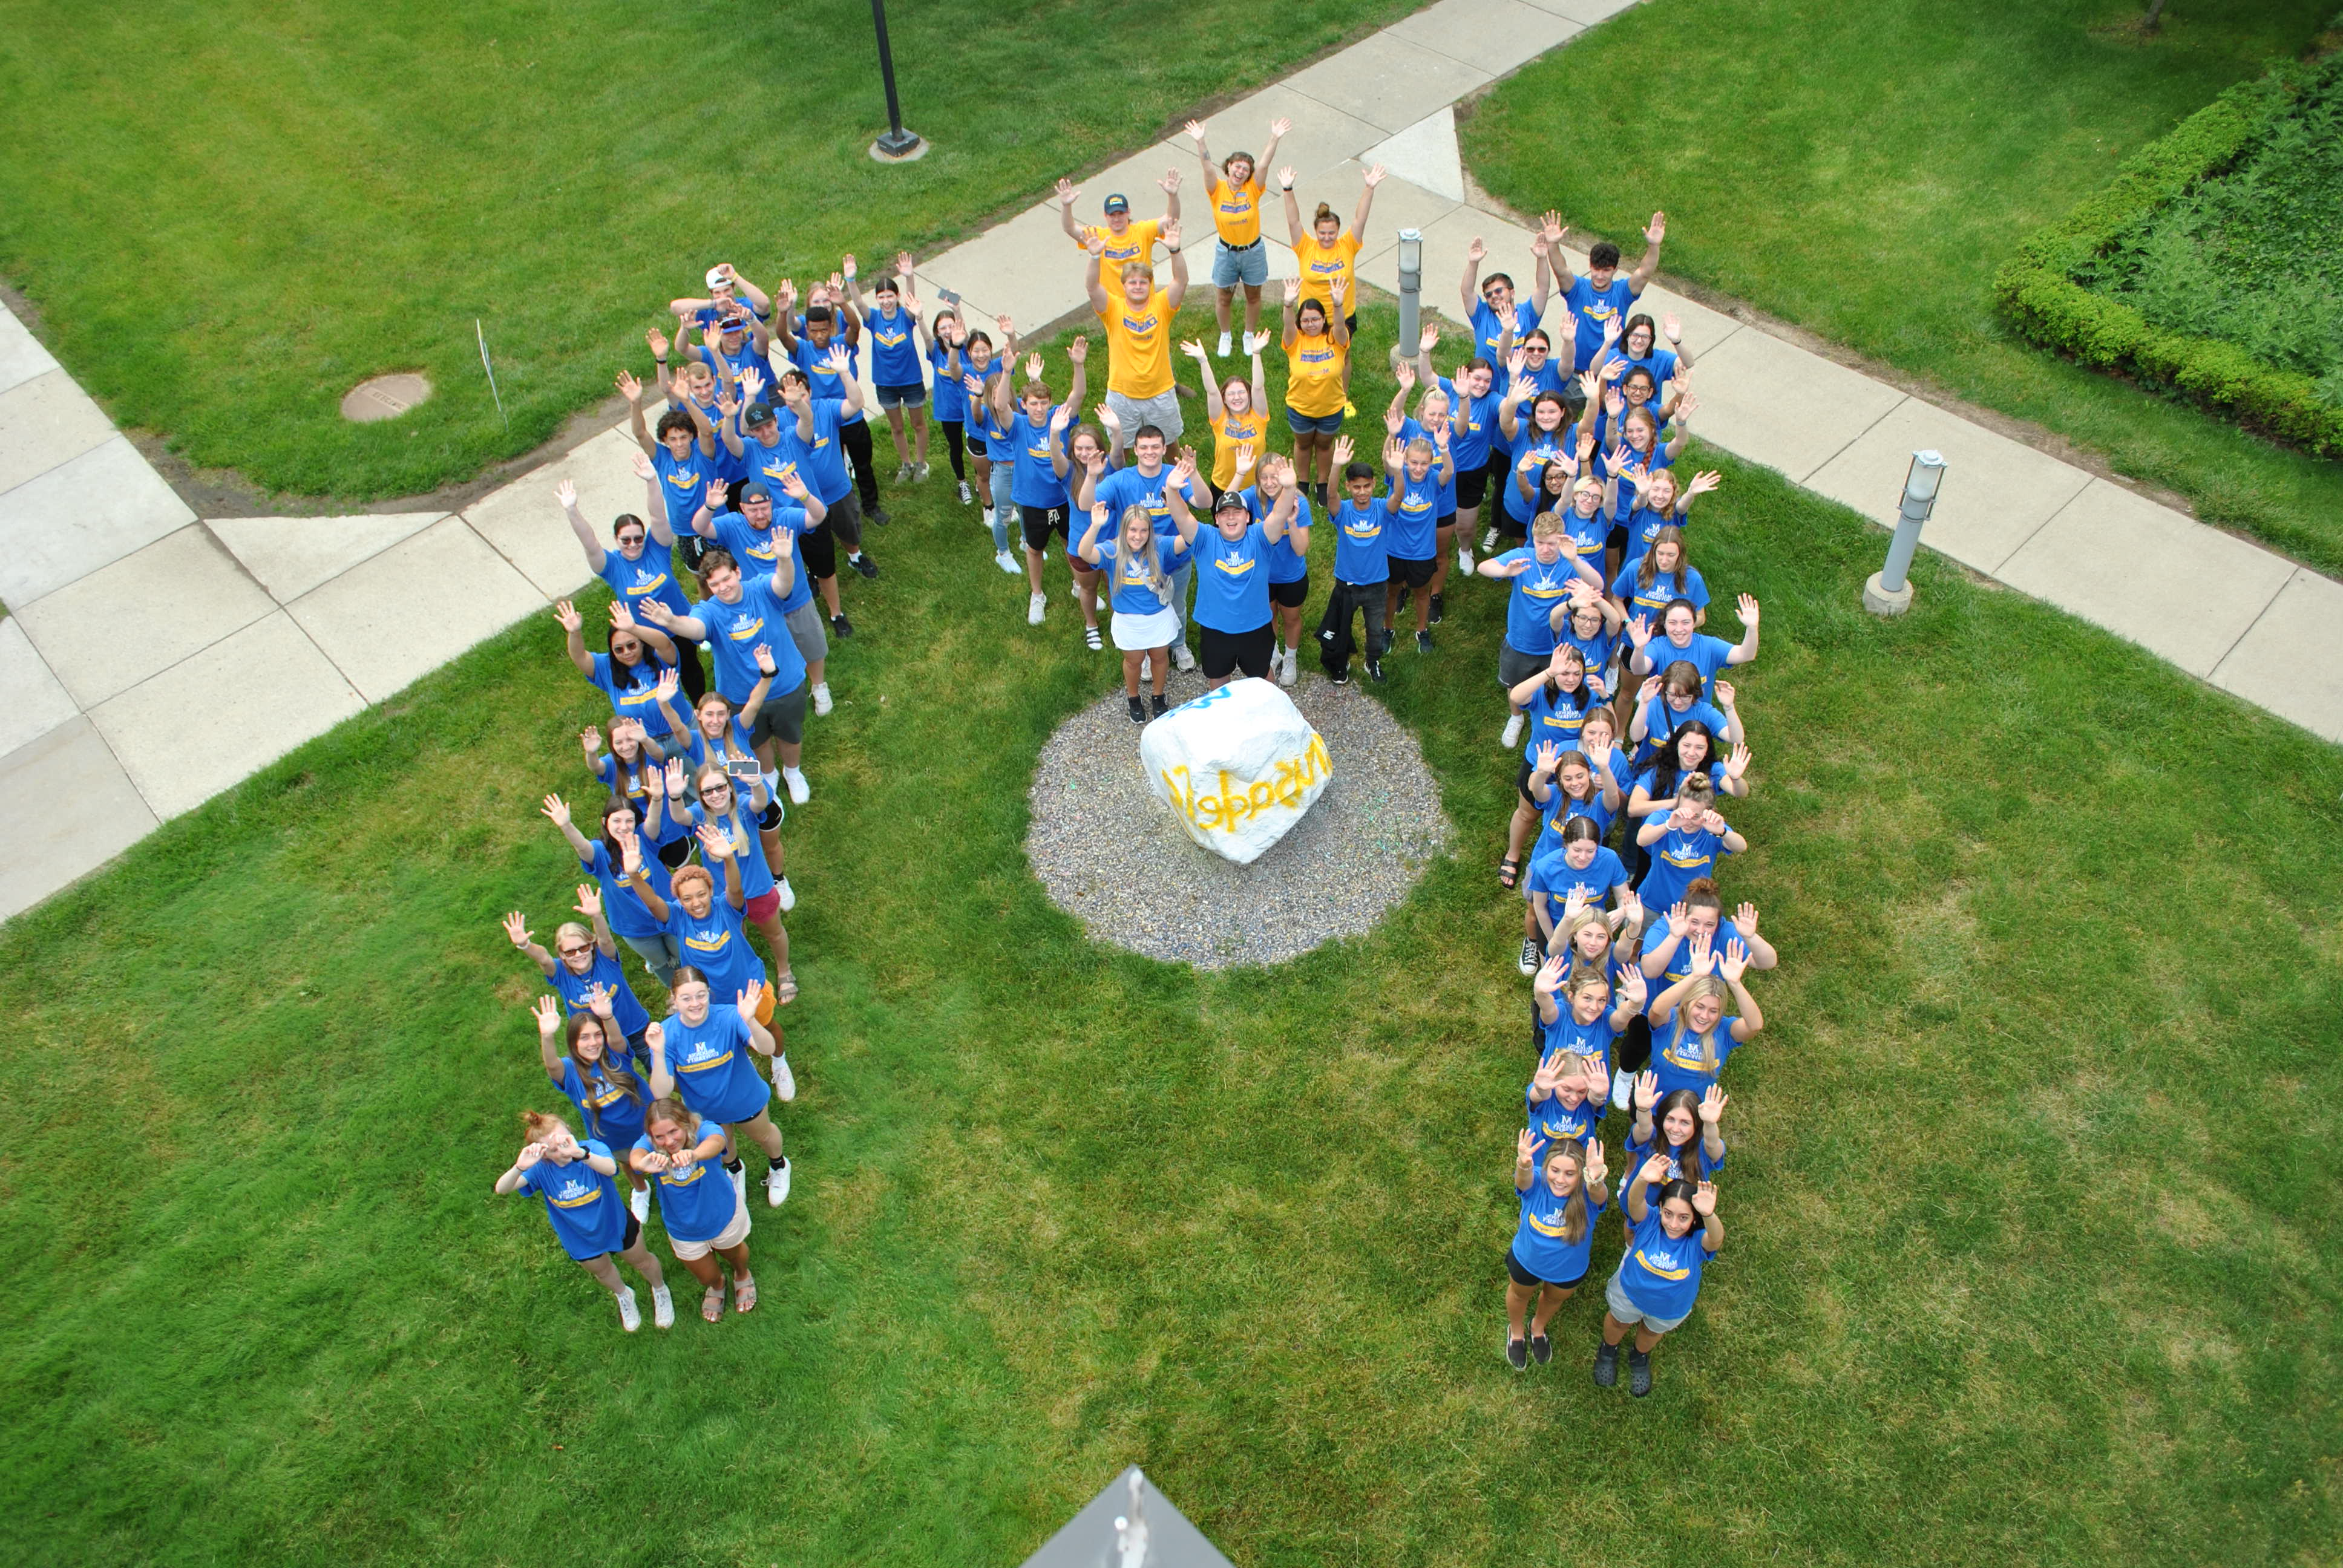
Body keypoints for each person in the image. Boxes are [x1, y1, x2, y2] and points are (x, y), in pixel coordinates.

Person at [635, 547, 813, 806]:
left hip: (785, 683)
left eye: (726, 579)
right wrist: (671, 622)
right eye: (714, 584)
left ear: (737, 572)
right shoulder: (708, 610)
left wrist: (785, 558)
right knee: (755, 739)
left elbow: (784, 583)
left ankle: (793, 772)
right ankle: (768, 774)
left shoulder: (761, 588)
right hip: (739, 696)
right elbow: (695, 629)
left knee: (790, 734)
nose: (723, 587)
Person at [495, 1108, 673, 1332]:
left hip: (616, 1224)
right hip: (580, 1239)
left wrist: (581, 1154)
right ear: (543, 1155)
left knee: (642, 1262)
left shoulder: (592, 1149)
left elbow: (610, 1169)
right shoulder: (541, 1169)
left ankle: (660, 1289)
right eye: (553, 1149)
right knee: (603, 1272)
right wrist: (521, 1166)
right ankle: (624, 1295)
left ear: (570, 1131)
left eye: (564, 1141)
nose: (562, 1151)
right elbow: (502, 1189)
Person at [687, 475, 834, 719]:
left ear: (771, 505)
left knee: (812, 644)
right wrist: (710, 506)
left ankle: (819, 686)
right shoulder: (733, 525)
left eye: (764, 508)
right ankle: (770, 696)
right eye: (753, 510)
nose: (760, 515)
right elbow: (700, 527)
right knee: (765, 654)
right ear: (742, 509)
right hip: (756, 609)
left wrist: (805, 496)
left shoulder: (785, 518)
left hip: (795, 600)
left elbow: (818, 516)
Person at [557, 465, 706, 702]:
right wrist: (571, 509)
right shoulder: (612, 566)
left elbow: (658, 516)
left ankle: (701, 708)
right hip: (646, 636)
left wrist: (651, 482)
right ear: (616, 540)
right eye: (625, 540)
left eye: (638, 538)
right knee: (660, 681)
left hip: (679, 623)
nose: (633, 544)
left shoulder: (657, 548)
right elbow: (590, 543)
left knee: (690, 668)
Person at [644, 969, 792, 1204]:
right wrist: (659, 1053)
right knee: (723, 1143)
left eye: (701, 995)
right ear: (674, 998)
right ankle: (734, 1170)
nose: (695, 1004)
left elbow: (767, 1048)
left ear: (709, 993)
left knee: (764, 1135)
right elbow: (661, 1093)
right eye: (686, 998)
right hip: (704, 1110)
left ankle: (780, 1165)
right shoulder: (667, 1034)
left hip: (745, 1099)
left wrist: (750, 1020)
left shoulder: (731, 1016)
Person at [619, 818, 797, 1007]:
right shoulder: (678, 917)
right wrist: (634, 876)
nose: (696, 903)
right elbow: (654, 904)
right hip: (709, 1001)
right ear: (679, 901)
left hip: (748, 989)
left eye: (701, 894)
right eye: (687, 899)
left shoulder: (726, 908)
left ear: (711, 892)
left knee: (767, 1028)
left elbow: (735, 890)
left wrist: (729, 858)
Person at [1165, 450, 1299, 688]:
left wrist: (1289, 489)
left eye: (1237, 512)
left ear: (1247, 516)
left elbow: (1279, 515)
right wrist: (1172, 490)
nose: (1231, 517)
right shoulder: (1205, 538)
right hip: (1216, 629)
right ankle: (1223, 720)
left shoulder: (1260, 537)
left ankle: (1268, 718)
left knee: (1264, 680)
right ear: (1216, 519)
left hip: (1256, 627)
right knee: (1218, 681)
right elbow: (1181, 516)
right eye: (1224, 513)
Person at [1478, 513, 1606, 756]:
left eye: (1552, 543)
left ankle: (1548, 716)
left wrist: (1576, 559)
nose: (1546, 549)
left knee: (1554, 685)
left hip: (1556, 644)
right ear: (1533, 539)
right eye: (1540, 543)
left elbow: (1598, 584)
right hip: (1519, 641)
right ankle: (1516, 717)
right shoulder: (1523, 558)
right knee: (1514, 684)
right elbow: (1483, 566)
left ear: (1562, 540)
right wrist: (1506, 572)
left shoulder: (1569, 563)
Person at [1077, 414, 1201, 665]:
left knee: (1176, 603)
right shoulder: (1121, 480)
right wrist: (1091, 477)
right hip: (1134, 558)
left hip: (1173, 554)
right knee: (1138, 606)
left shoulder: (1174, 475)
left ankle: (1178, 645)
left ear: (1165, 448)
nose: (1150, 452)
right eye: (1144, 447)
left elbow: (1204, 503)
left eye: (1156, 447)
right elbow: (1085, 504)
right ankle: (1144, 652)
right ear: (1135, 450)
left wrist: (1194, 474)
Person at [1594, 1155, 1722, 1396]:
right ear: (1660, 1209)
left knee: (1652, 1331)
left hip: (1669, 1308)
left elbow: (1715, 1239)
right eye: (1669, 1214)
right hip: (1628, 1293)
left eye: (1684, 1218)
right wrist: (1642, 1179)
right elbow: (1634, 1202)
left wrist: (1710, 1215)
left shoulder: (1696, 1241)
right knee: (1619, 1321)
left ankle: (1639, 1356)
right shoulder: (1650, 1221)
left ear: (1695, 1219)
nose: (1674, 1224)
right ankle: (1608, 1349)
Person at [774, 260, 887, 524]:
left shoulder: (840, 344)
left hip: (849, 414)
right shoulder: (803, 350)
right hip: (822, 420)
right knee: (825, 467)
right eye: (814, 332)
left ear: (830, 327)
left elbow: (855, 329)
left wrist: (843, 302)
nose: (820, 336)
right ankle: (827, 511)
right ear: (808, 332)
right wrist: (783, 312)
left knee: (863, 463)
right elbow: (783, 337)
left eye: (824, 330)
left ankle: (871, 506)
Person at [629, 1096, 757, 1322]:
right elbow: (636, 1156)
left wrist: (694, 1155)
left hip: (722, 1214)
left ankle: (742, 1274)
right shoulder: (651, 1145)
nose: (668, 1141)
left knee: (735, 1254)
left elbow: (717, 1142)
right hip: (683, 1227)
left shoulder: (704, 1130)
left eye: (674, 1132)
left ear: (686, 1123)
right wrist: (642, 1165)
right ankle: (717, 1285)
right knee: (705, 1274)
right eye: (659, 1136)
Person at [530, 994, 654, 1220]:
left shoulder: (615, 1054)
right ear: (573, 1043)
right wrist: (547, 1037)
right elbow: (552, 1066)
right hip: (613, 1136)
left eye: (598, 1035)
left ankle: (677, 1182)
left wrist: (607, 1017)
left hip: (649, 1123)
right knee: (628, 1164)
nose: (593, 1042)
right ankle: (641, 1190)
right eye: (584, 1038)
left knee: (666, 1153)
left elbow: (616, 1038)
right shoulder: (570, 1070)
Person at [995, 342, 1091, 629]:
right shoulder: (1019, 426)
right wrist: (1006, 372)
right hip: (1032, 502)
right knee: (1034, 549)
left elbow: (1080, 394)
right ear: (1024, 405)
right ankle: (1037, 594)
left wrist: (1078, 364)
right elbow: (1000, 405)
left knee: (1069, 542)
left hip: (1063, 497)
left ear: (1050, 403)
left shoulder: (1058, 418)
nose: (1039, 409)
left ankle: (1079, 585)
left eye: (1043, 403)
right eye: (1033, 404)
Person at [543, 792, 683, 985]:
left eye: (629, 821)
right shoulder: (600, 853)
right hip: (635, 928)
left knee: (684, 954)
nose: (624, 827)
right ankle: (676, 991)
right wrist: (567, 825)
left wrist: (658, 799)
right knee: (660, 963)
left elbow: (654, 820)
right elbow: (583, 848)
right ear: (605, 822)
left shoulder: (643, 838)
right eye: (617, 821)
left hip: (669, 914)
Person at [1504, 1129, 1610, 1371]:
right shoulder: (1538, 1181)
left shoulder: (1587, 1193)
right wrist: (1523, 1164)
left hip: (1568, 1271)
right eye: (1555, 1170)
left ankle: (1538, 1328)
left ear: (1580, 1175)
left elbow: (1600, 1194)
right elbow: (1523, 1181)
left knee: (1552, 1299)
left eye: (1570, 1174)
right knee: (1520, 1295)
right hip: (1526, 1261)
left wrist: (1595, 1179)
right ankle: (1517, 1332)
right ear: (1546, 1168)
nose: (1561, 1180)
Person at [1186, 116, 1289, 355]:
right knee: (1224, 296)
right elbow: (1206, 166)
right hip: (1227, 252)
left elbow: (1263, 165)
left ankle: (1248, 335)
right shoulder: (1217, 189)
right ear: (1229, 167)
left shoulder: (1253, 189)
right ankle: (1225, 336)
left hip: (1252, 251)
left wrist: (1274, 137)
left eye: (1245, 168)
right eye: (1237, 166)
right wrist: (1200, 142)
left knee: (1254, 295)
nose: (1241, 171)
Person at [502, 892, 652, 1054]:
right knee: (620, 1079)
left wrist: (597, 916)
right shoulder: (560, 972)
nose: (579, 954)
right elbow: (544, 959)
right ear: (561, 955)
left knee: (661, 1071)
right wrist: (525, 945)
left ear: (592, 945)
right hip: (597, 1044)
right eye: (570, 952)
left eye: (583, 948)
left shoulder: (605, 959)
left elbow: (606, 940)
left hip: (636, 1030)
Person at [1084, 223, 1189, 446]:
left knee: (1169, 446)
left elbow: (1181, 281)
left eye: (1143, 282)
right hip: (1122, 395)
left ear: (1150, 284)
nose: (1138, 286)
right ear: (1123, 286)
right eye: (1132, 282)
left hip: (1160, 391)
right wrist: (1095, 257)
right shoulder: (1113, 308)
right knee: (1121, 448)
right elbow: (1093, 287)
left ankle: (1173, 480)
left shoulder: (1161, 305)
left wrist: (1175, 251)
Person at [1541, 209, 1666, 374]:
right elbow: (1560, 270)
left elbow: (1645, 272)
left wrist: (1654, 245)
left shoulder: (1623, 292)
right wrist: (1553, 244)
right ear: (1590, 266)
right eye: (1596, 269)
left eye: (1606, 271)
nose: (1600, 276)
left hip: (1610, 371)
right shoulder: (1577, 289)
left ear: (1615, 270)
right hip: (1574, 371)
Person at [1645, 930, 1765, 1101]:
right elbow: (1656, 1010)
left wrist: (1735, 984)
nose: (1704, 1016)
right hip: (1652, 1104)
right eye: (1699, 1006)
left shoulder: (1724, 1030)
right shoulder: (1672, 1020)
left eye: (1713, 1011)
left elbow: (1755, 1025)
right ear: (1687, 1003)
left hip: (1693, 1116)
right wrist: (1695, 977)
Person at [1240, 437, 1314, 687]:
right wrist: (1240, 473)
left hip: (1291, 575)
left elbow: (1301, 548)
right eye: (1264, 477)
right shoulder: (1251, 498)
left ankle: (1290, 656)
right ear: (1258, 479)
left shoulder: (1298, 502)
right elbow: (1224, 503)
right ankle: (1273, 653)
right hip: (1262, 575)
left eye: (1276, 477)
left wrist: (1291, 521)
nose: (1270, 483)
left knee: (1291, 618)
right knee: (1267, 616)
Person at [1315, 437, 1388, 685]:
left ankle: (1372, 661)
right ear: (1349, 487)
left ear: (1374, 484)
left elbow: (1398, 497)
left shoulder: (1381, 508)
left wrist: (1398, 472)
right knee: (1341, 628)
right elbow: (1331, 495)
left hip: (1378, 585)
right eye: (1357, 487)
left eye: (1367, 486)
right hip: (1347, 585)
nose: (1363, 492)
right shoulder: (1344, 510)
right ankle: (1340, 662)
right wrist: (1335, 465)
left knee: (1376, 630)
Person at [1280, 163, 1383, 336]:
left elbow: (1360, 220)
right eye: (1322, 233)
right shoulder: (1305, 247)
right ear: (1316, 231)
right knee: (1311, 358)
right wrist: (1288, 189)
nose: (1327, 237)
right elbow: (1293, 221)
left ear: (1338, 231)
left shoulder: (1348, 245)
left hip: (1342, 315)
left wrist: (1369, 188)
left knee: (1344, 356)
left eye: (1331, 233)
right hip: (1311, 317)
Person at [1378, 422, 1454, 655]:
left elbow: (1449, 472)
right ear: (1406, 461)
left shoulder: (1433, 480)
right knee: (1392, 592)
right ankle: (1387, 628)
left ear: (1430, 464)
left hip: (1423, 552)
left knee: (1422, 593)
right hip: (1394, 549)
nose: (1418, 469)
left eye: (1424, 464)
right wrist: (1391, 435)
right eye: (1413, 463)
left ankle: (1422, 630)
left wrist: (1443, 448)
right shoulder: (1398, 475)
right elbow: (1385, 461)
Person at [856, 253, 930, 484]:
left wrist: (909, 276)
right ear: (877, 299)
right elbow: (858, 304)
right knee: (897, 427)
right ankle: (906, 464)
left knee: (918, 424)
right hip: (886, 383)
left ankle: (921, 463)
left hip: (911, 380)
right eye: (881, 297)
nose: (886, 301)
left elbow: (911, 299)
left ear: (897, 297)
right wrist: (851, 281)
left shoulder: (905, 317)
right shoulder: (874, 319)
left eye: (890, 296)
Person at [1523, 815, 1633, 970]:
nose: (1583, 857)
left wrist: (1622, 911)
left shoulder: (1610, 860)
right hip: (1558, 925)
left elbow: (1623, 896)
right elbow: (1540, 907)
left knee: (1591, 976)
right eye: (1577, 850)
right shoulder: (1545, 867)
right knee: (1553, 972)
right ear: (1566, 845)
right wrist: (1555, 940)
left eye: (1590, 851)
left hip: (1594, 930)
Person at [960, 318, 1023, 575]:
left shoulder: (1018, 415)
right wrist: (977, 397)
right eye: (994, 393)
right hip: (1002, 474)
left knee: (1027, 510)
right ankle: (1003, 553)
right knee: (1003, 515)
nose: (1000, 397)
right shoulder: (986, 416)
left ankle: (1028, 542)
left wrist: (1011, 335)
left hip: (1022, 470)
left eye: (1004, 392)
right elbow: (976, 415)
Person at [1280, 278, 1351, 506]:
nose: (1311, 324)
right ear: (1300, 322)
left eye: (1315, 320)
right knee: (1302, 444)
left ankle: (1322, 483)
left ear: (1323, 320)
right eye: (1306, 320)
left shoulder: (1335, 339)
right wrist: (1288, 305)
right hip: (1300, 408)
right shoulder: (1294, 341)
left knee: (1324, 445)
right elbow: (1288, 325)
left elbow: (1340, 325)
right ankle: (1303, 481)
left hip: (1331, 408)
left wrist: (1338, 305)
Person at [1634, 774, 1746, 915]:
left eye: (1696, 817)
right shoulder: (1664, 818)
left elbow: (1741, 846)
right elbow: (1642, 839)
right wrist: (1669, 826)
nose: (1688, 821)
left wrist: (1722, 832)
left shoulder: (1712, 829)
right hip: (1652, 903)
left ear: (1709, 813)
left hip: (1691, 909)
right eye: (1684, 813)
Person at [1181, 337, 1269, 505]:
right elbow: (1212, 392)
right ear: (1225, 399)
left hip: (1254, 486)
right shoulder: (1220, 418)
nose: (1237, 398)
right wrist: (1203, 360)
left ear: (1249, 396)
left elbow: (1258, 387)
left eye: (1242, 393)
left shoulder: (1259, 416)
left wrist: (1256, 353)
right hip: (1223, 485)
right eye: (1231, 394)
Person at [1629, 593, 1760, 698]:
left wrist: (1752, 628)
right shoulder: (1658, 646)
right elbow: (1639, 669)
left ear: (1694, 623)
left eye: (1685, 622)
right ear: (1665, 624)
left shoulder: (1709, 646)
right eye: (1673, 623)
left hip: (1697, 724)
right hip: (1663, 720)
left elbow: (1746, 655)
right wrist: (1639, 649)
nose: (1679, 629)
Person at [1057, 172, 1181, 270]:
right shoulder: (1097, 237)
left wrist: (1173, 196)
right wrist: (1066, 206)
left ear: (1128, 212)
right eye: (1112, 215)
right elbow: (1070, 228)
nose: (1116, 219)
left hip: (1143, 300)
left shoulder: (1143, 231)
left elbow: (1171, 219)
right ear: (1105, 215)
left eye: (1120, 214)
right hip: (1111, 302)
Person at [1624, 1079, 1727, 1187]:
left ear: (1696, 1125)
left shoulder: (1702, 1149)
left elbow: (1712, 1144)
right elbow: (1644, 1129)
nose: (1675, 1129)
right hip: (1637, 1202)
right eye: (1670, 1119)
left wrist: (1710, 1124)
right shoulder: (1652, 1136)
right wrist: (1643, 1110)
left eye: (1685, 1123)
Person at [1611, 526, 1709, 627]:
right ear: (1654, 550)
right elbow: (1617, 600)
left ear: (1680, 554)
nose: (1664, 560)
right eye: (1660, 553)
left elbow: (1701, 617)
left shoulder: (1693, 578)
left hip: (1671, 639)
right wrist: (1628, 624)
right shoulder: (1636, 567)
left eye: (1671, 555)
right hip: (1634, 636)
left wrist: (1677, 625)